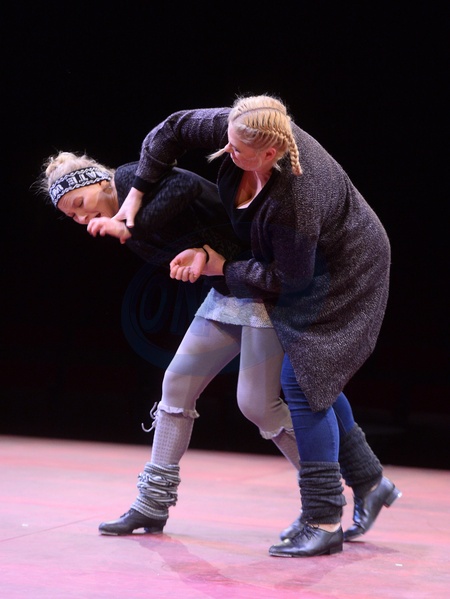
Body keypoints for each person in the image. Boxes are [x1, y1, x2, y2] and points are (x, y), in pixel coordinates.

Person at [114, 93, 402, 557]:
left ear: (270, 152)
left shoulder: (295, 198)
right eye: (227, 141)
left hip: (341, 274)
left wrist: (221, 267)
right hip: (263, 272)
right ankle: (369, 482)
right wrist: (136, 193)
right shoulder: (243, 126)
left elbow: (290, 279)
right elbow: (172, 128)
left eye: (237, 150)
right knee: (203, 380)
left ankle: (324, 517)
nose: (226, 152)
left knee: (302, 384)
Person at [38, 151, 301, 536]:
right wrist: (195, 255)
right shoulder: (124, 221)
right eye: (71, 216)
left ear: (100, 182)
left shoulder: (133, 178)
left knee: (257, 405)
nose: (80, 218)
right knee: (176, 384)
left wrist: (131, 226)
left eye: (79, 203)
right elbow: (191, 244)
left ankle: (329, 492)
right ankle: (152, 504)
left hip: (263, 283)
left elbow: (189, 185)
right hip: (228, 289)